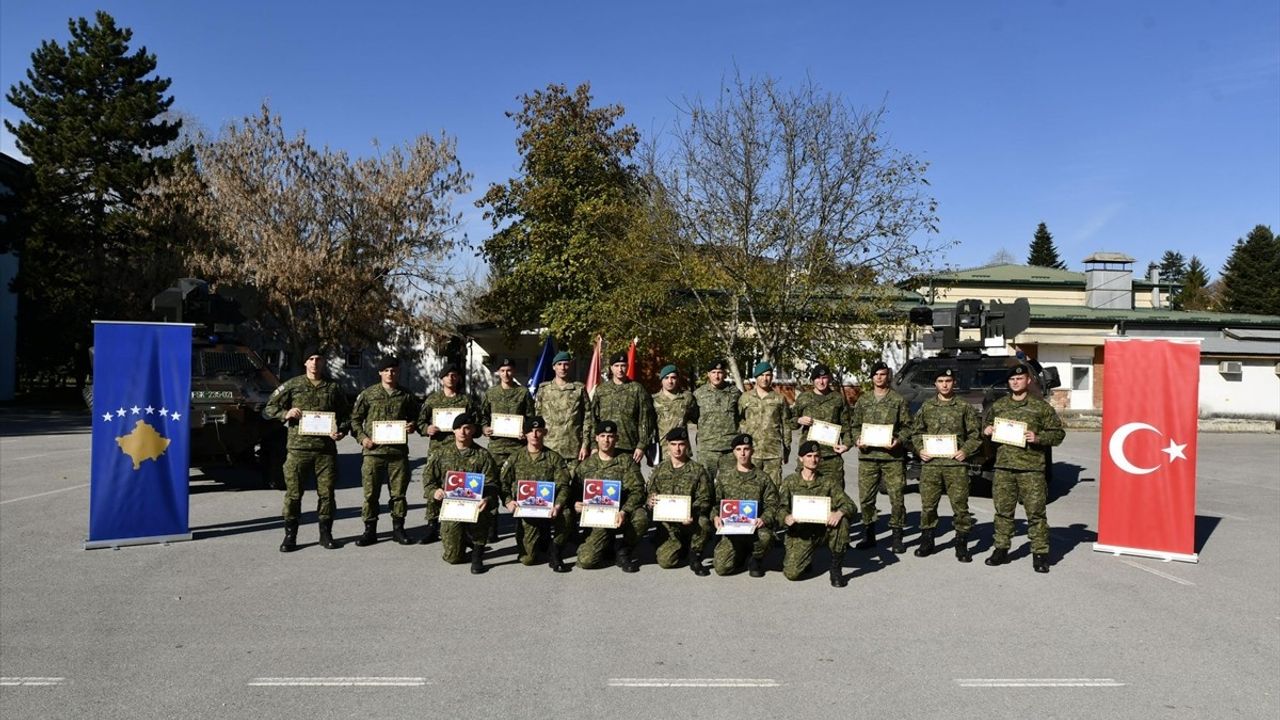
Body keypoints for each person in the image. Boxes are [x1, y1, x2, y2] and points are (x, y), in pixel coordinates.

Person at [264, 347, 350, 552]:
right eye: (310, 359)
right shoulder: (293, 385)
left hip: (325, 451)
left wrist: (341, 431)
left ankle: (326, 534)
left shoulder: (333, 388)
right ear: (305, 363)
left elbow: (346, 416)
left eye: (318, 359)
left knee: (327, 494)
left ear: (323, 362)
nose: (314, 363)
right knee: (294, 494)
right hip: (297, 449)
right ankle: (290, 536)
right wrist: (286, 413)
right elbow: (269, 408)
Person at [982, 364, 1066, 573]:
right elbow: (985, 429)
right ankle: (1001, 548)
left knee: (1036, 513)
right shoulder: (999, 406)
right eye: (1012, 380)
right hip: (1004, 467)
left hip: (1031, 468)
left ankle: (1040, 553)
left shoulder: (1041, 408)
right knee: (1003, 512)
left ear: (1028, 381)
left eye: (1020, 379)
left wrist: (1039, 438)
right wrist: (987, 430)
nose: (1015, 382)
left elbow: (1058, 434)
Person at [909, 368, 982, 561]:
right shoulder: (927, 407)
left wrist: (965, 450)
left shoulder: (964, 407)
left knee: (960, 506)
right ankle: (927, 540)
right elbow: (916, 432)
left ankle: (961, 543)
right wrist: (919, 450)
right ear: (935, 384)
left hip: (955, 466)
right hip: (931, 465)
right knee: (928, 506)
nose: (944, 384)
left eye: (948, 380)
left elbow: (976, 434)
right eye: (941, 381)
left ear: (954, 383)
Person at [349, 356, 420, 546]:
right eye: (387, 370)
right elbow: (355, 420)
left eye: (394, 370)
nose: (390, 373)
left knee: (398, 495)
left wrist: (412, 425)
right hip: (374, 453)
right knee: (371, 495)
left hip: (397, 454)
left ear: (398, 372)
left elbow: (417, 417)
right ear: (380, 372)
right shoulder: (368, 394)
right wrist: (362, 438)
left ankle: (398, 529)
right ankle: (369, 531)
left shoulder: (406, 395)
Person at [421, 414, 500, 574]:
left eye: (467, 428)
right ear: (453, 430)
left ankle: (477, 553)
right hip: (451, 507)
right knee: (453, 558)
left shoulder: (483, 455)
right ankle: (461, 540)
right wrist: (434, 491)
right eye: (459, 428)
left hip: (475, 506)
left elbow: (493, 484)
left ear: (473, 430)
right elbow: (428, 479)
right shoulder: (441, 453)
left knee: (484, 513)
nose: (463, 431)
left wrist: (487, 498)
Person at [849, 361, 911, 554]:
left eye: (883, 374)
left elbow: (908, 428)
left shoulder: (898, 400)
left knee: (896, 497)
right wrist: (857, 439)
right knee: (866, 499)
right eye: (876, 374)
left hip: (892, 457)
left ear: (888, 377)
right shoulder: (863, 400)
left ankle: (897, 537)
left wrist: (898, 440)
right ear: (871, 377)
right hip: (868, 457)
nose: (879, 377)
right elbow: (854, 426)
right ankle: (869, 535)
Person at [500, 416, 574, 573]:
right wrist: (508, 501)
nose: (534, 434)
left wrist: (558, 505)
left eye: (538, 431)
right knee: (528, 559)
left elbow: (564, 486)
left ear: (544, 432)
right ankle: (540, 538)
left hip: (549, 508)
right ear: (525, 434)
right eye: (530, 431)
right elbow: (503, 483)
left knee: (566, 513)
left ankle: (555, 550)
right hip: (526, 510)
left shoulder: (554, 458)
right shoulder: (516, 457)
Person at [778, 441, 857, 587]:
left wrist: (839, 513)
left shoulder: (828, 481)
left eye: (816, 456)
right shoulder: (790, 482)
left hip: (822, 531)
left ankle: (836, 568)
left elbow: (850, 505)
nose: (813, 460)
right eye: (809, 456)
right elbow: (779, 508)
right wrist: (786, 517)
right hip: (801, 533)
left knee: (843, 521)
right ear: (801, 458)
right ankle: (806, 557)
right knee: (792, 574)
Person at [573, 420, 648, 572]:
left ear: (617, 438)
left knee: (641, 517)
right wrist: (576, 505)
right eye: (603, 436)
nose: (606, 440)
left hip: (621, 515)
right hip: (598, 518)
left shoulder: (626, 462)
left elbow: (638, 490)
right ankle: (602, 544)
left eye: (610, 436)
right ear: (596, 438)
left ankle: (624, 550)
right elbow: (574, 493)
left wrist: (624, 511)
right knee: (586, 561)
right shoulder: (586, 466)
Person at [416, 362, 477, 543]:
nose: (451, 378)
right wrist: (427, 428)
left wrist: (477, 429)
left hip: (463, 450)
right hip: (439, 450)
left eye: (454, 375)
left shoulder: (466, 401)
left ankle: (463, 525)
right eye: (447, 375)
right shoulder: (432, 400)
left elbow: (477, 422)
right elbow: (420, 422)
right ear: (442, 378)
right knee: (435, 485)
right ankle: (432, 526)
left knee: (462, 486)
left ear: (458, 378)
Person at [646, 427, 714, 575]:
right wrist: (650, 501)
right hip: (668, 524)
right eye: (674, 444)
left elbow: (705, 499)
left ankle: (695, 555)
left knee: (703, 522)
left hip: (690, 521)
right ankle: (679, 545)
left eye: (681, 444)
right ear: (668, 446)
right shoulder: (660, 469)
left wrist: (691, 512)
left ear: (687, 446)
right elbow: (651, 492)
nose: (677, 449)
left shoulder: (697, 470)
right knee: (666, 562)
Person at [711, 434, 780, 578]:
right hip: (732, 530)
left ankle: (756, 559)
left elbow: (772, 504)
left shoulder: (762, 478)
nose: (742, 453)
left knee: (766, 537)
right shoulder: (724, 478)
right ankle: (741, 552)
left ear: (752, 451)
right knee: (721, 568)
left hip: (755, 529)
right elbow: (715, 503)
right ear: (733, 452)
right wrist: (715, 516)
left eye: (746, 449)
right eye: (738, 449)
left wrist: (764, 519)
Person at [480, 356, 533, 541]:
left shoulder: (523, 393)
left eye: (509, 370)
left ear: (514, 372)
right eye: (502, 370)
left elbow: (530, 417)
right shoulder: (491, 393)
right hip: (496, 447)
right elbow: (483, 416)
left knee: (518, 486)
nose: (506, 373)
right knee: (493, 486)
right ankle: (491, 526)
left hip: (517, 448)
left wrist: (524, 432)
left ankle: (521, 524)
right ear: (498, 372)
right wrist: (485, 428)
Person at [791, 363, 853, 490]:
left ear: (829, 379)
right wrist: (799, 420)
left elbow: (846, 426)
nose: (821, 381)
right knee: (804, 491)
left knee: (835, 494)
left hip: (831, 456)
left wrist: (846, 445)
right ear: (813, 380)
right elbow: (790, 422)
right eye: (818, 378)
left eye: (824, 378)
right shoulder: (804, 398)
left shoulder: (837, 399)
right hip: (808, 454)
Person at [591, 352, 654, 464]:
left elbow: (645, 419)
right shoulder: (601, 390)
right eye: (616, 366)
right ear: (611, 368)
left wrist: (642, 445)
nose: (620, 369)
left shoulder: (637, 389)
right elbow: (593, 419)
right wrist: (593, 445)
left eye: (623, 365)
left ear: (627, 367)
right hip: (605, 447)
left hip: (629, 447)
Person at [737, 361, 791, 485]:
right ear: (756, 377)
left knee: (773, 488)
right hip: (751, 451)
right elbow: (738, 421)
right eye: (761, 375)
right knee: (750, 486)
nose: (765, 378)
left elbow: (785, 425)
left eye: (768, 375)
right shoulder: (745, 398)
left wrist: (786, 449)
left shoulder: (779, 399)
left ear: (772, 377)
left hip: (772, 452)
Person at [535, 351, 593, 468]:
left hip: (572, 449)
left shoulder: (579, 389)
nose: (563, 367)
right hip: (548, 447)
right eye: (559, 364)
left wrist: (585, 445)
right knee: (548, 485)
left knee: (571, 485)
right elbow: (537, 419)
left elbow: (587, 419)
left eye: (566, 364)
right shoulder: (544, 389)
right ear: (554, 367)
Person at [691, 359, 740, 480]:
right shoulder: (698, 394)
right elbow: (694, 417)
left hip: (729, 448)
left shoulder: (735, 393)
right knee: (705, 483)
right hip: (707, 448)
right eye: (713, 372)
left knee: (729, 483)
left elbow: (740, 416)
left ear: (725, 374)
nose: (716, 376)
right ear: (708, 374)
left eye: (719, 372)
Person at [649, 364, 698, 466]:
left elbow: (697, 418)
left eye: (673, 377)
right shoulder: (653, 400)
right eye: (666, 378)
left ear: (678, 379)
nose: (670, 381)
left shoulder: (687, 398)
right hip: (661, 451)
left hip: (682, 449)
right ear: (661, 380)